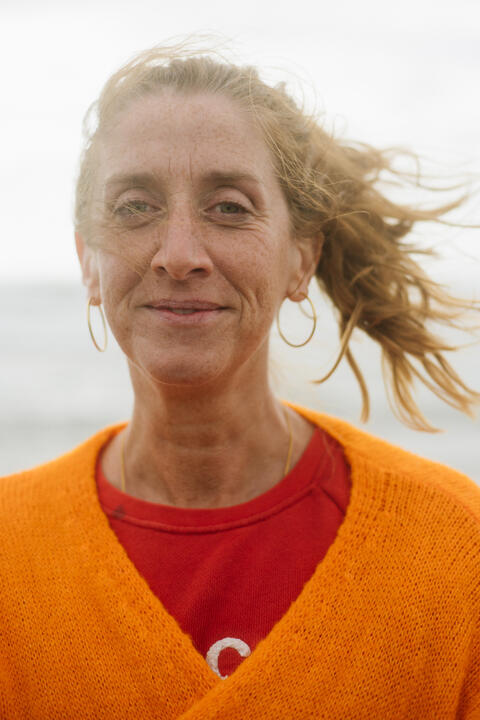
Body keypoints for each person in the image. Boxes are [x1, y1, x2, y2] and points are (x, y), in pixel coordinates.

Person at [1, 39, 479, 719]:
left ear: (299, 260)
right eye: (135, 206)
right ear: (88, 261)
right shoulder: (9, 556)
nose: (179, 254)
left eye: (228, 206)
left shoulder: (451, 551)